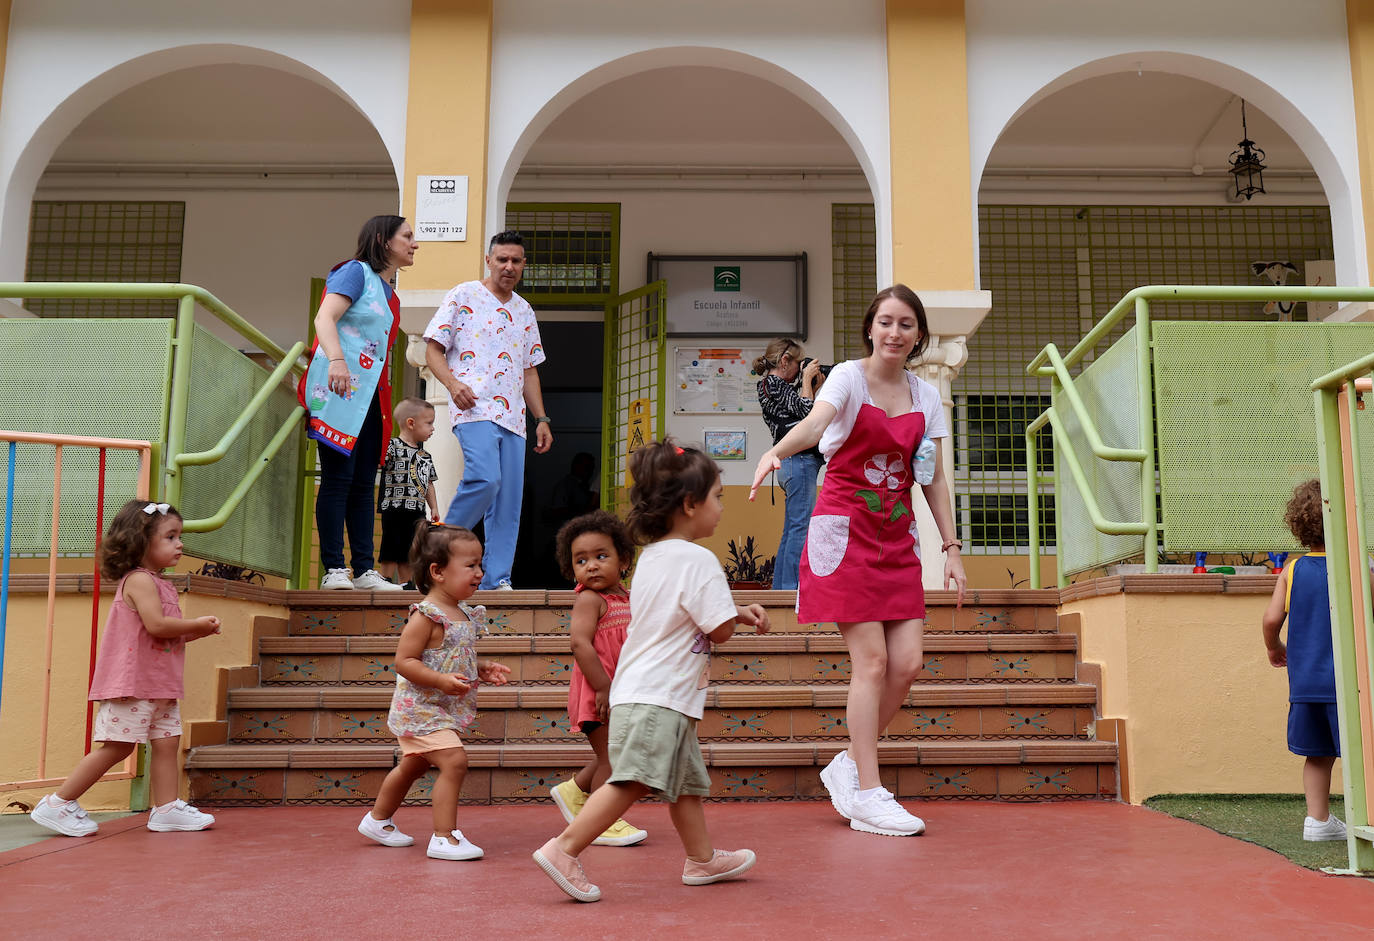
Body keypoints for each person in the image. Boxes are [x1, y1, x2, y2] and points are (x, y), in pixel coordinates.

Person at [748, 284, 967, 838]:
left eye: (907, 325)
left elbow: (936, 478)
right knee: (871, 662)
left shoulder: (926, 395)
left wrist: (952, 549)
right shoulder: (847, 376)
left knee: (908, 663)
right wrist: (776, 452)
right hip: (843, 531)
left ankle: (848, 762)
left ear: (918, 335)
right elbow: (817, 425)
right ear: (871, 327)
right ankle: (868, 792)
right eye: (886, 322)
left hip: (897, 536)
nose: (895, 333)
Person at [532, 440, 770, 902]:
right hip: (659, 696)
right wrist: (736, 616)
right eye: (718, 496)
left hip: (647, 693)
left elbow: (678, 614)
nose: (722, 506)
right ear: (689, 504)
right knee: (633, 778)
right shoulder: (698, 559)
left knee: (683, 785)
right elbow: (717, 631)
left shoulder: (655, 559)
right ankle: (564, 849)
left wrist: (732, 610)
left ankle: (701, 860)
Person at [30, 500, 221, 837]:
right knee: (118, 746)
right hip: (134, 684)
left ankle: (165, 809)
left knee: (167, 742)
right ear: (141, 541)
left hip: (159, 683)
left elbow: (164, 638)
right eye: (170, 537)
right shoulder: (139, 581)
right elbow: (158, 626)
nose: (180, 544)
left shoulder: (161, 583)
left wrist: (198, 631)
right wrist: (195, 622)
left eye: (180, 536)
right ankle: (58, 803)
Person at [357, 522, 512, 859]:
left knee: (413, 765)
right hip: (420, 707)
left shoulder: (464, 613)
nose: (479, 572)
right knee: (454, 761)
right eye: (470, 565)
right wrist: (441, 681)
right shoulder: (427, 615)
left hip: (437, 708)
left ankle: (377, 819)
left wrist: (480, 668)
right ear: (438, 571)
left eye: (479, 564)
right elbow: (404, 661)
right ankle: (444, 837)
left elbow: (453, 656)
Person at [424, 231, 553, 590]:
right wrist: (452, 384)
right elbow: (432, 350)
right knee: (485, 478)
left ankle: (496, 579)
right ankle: (437, 547)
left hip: (514, 418)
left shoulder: (524, 310)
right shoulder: (463, 295)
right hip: (474, 408)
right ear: (489, 260)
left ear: (524, 265)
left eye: (516, 261)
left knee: (509, 504)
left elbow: (529, 369)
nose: (509, 266)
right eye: (502, 259)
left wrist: (541, 418)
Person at [299, 214, 416, 591]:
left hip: (369, 397)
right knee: (338, 479)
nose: (415, 244)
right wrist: (336, 360)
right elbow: (325, 317)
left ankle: (364, 570)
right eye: (408, 237)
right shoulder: (354, 272)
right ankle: (334, 568)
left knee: (366, 484)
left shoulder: (391, 295)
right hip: (337, 388)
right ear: (383, 240)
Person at [547, 510, 646, 848]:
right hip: (598, 691)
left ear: (624, 560)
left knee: (611, 754)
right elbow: (580, 643)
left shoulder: (625, 598)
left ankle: (573, 790)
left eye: (601, 556)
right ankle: (603, 820)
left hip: (621, 691)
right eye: (581, 560)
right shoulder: (590, 599)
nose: (591, 566)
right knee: (613, 759)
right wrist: (603, 686)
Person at [1261, 479, 1348, 842]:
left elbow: (1270, 619)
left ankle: (1317, 820)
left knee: (1317, 753)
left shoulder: (1293, 570)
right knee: (1365, 755)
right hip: (1350, 683)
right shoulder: (1359, 566)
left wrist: (1273, 647)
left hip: (1307, 683)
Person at [753, 338, 825, 590]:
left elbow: (801, 410)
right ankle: (793, 590)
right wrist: (806, 381)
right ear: (785, 361)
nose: (799, 369)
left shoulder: (771, 386)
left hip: (792, 463)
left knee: (792, 529)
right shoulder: (772, 383)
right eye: (797, 364)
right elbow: (808, 414)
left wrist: (814, 385)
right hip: (798, 461)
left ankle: (782, 589)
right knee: (800, 529)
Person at [378, 396, 440, 588]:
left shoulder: (425, 455)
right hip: (393, 506)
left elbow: (429, 482)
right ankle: (385, 579)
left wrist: (434, 507)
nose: (432, 428)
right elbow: (381, 463)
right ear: (411, 423)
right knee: (390, 541)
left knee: (410, 546)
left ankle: (407, 583)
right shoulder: (393, 446)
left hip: (417, 510)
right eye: (429, 423)